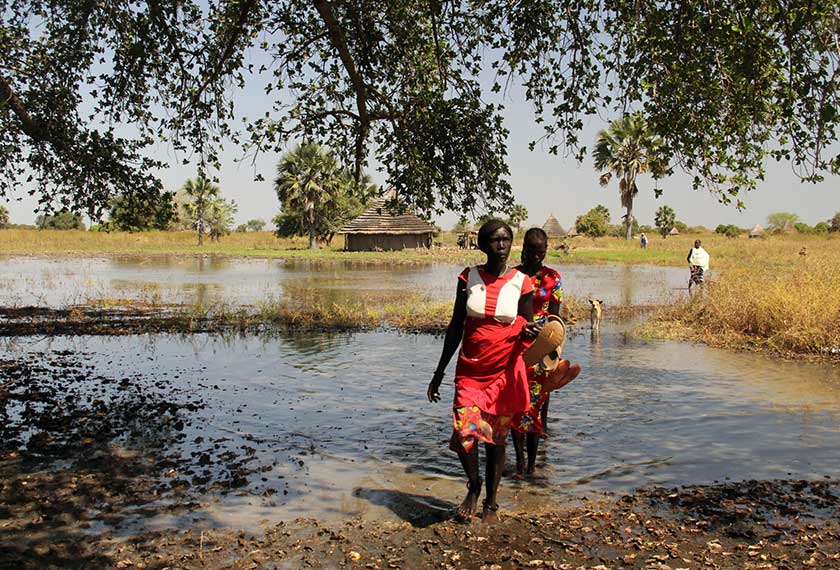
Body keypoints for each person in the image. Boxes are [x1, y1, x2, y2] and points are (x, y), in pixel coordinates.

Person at [427, 220, 579, 522]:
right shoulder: (467, 277)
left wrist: (531, 333)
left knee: (496, 440)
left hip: (505, 370)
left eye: (507, 240)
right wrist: (439, 372)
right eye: (495, 240)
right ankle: (474, 483)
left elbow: (523, 321)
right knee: (464, 429)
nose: (502, 245)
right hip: (470, 369)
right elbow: (456, 326)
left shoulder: (521, 282)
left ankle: (491, 504)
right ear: (483, 245)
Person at [510, 228, 566, 478]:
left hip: (542, 350)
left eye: (541, 252)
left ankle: (530, 466)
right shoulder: (511, 276)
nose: (536, 257)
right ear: (524, 250)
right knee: (514, 406)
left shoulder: (553, 278)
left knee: (534, 405)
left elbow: (555, 318)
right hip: (514, 348)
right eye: (532, 251)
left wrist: (555, 350)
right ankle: (520, 460)